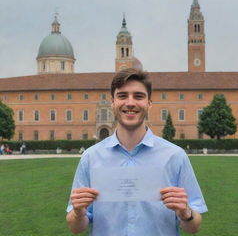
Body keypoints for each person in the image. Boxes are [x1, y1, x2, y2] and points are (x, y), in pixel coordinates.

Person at [66, 68, 208, 235]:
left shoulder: (175, 156)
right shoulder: (90, 157)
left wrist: (186, 213)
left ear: (149, 103)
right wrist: (78, 213)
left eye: (138, 96)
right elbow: (76, 228)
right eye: (122, 96)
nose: (130, 102)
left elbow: (194, 227)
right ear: (112, 102)